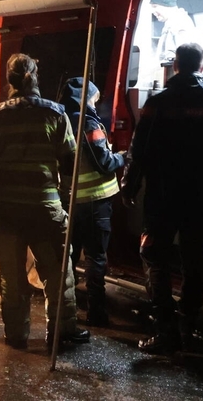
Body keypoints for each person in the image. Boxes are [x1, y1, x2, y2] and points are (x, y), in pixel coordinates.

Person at [121, 42, 203, 354]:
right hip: (198, 193)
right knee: (193, 260)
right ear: (201, 66)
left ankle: (166, 331)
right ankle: (188, 327)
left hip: (162, 195)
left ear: (174, 65)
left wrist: (129, 186)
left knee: (154, 257)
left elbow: (138, 150)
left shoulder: (157, 103)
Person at [0, 54, 89, 350]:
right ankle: (60, 333)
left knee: (11, 278)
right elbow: (70, 161)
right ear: (35, 78)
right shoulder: (56, 113)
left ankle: (16, 335)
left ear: (10, 80)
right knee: (57, 276)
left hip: (7, 212)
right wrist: (64, 199)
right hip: (46, 211)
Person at [59, 77, 125, 327]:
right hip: (96, 201)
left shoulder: (60, 119)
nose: (96, 105)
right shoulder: (88, 122)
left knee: (70, 257)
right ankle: (96, 313)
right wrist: (122, 157)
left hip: (70, 201)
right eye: (94, 100)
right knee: (96, 258)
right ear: (86, 99)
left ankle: (66, 309)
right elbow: (104, 162)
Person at [149, 0, 196, 81]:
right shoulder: (170, 23)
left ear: (166, 4)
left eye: (155, 6)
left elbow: (185, 60)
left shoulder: (180, 23)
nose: (152, 11)